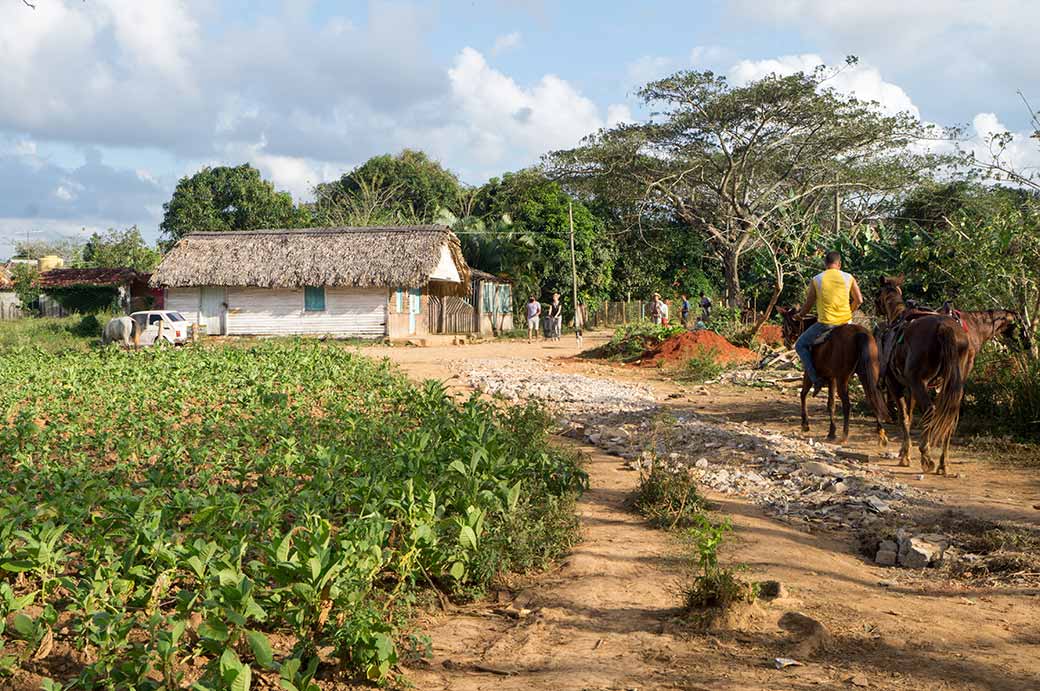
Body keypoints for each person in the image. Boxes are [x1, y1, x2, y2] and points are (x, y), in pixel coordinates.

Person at [794, 250, 863, 394]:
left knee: (800, 345)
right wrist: (849, 312)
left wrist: (800, 315)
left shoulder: (817, 279)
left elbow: (808, 304)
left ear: (825, 264)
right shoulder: (848, 277)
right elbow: (859, 300)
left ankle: (815, 379)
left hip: (826, 324)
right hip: (846, 323)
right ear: (839, 264)